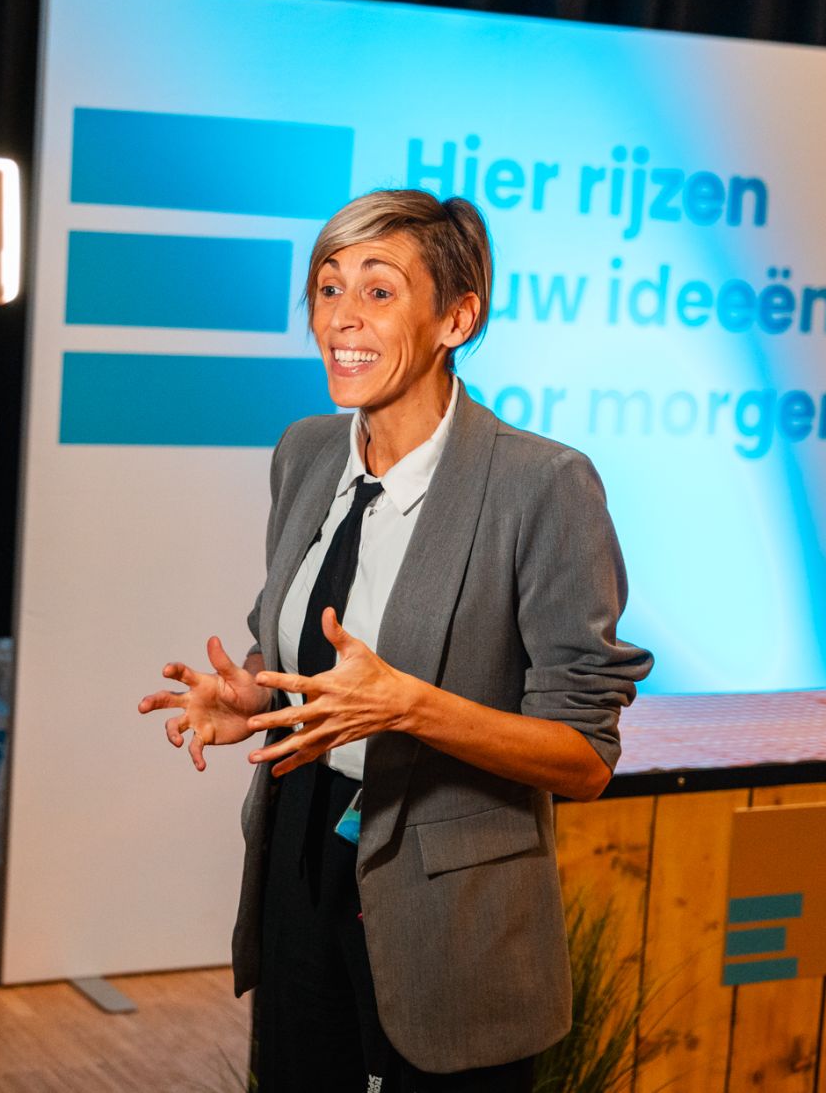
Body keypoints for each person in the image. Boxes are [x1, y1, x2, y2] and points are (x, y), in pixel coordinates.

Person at [139, 189, 653, 1092]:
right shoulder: (305, 451)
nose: (341, 317)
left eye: (378, 291)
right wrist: (256, 694)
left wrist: (411, 708)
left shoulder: (543, 485)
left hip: (447, 905)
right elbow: (302, 652)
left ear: (457, 318)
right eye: (327, 287)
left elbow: (583, 759)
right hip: (300, 860)